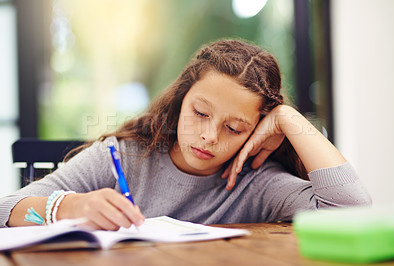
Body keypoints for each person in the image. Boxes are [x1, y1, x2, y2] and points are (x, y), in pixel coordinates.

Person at [0, 39, 371, 230]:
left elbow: (352, 212)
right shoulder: (124, 158)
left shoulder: (257, 185)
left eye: (233, 128)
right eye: (200, 113)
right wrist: (70, 207)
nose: (209, 136)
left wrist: (288, 119)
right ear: (180, 102)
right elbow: (5, 211)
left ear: (254, 131)